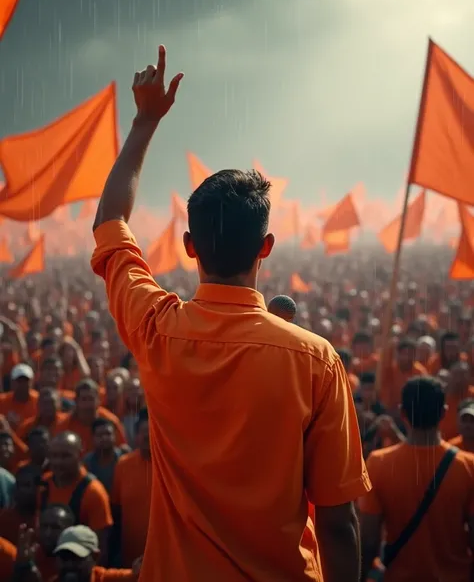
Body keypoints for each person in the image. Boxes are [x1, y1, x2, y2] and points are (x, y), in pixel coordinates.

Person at [91, 46, 370, 582]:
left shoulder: (156, 330)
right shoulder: (315, 360)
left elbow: (109, 220)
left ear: (190, 246)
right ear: (266, 248)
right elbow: (339, 523)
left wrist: (145, 121)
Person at [359, 376, 474, 582]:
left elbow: (368, 540)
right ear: (444, 413)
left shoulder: (379, 463)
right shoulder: (468, 466)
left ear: (403, 413)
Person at [41, 432, 112, 561]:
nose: (58, 462)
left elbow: (101, 549)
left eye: (65, 456)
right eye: (54, 456)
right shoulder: (44, 485)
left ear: (80, 455)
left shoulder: (93, 492)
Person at [110, 408, 151, 567]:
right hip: (131, 558)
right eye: (143, 431)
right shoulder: (123, 465)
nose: (147, 435)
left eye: (151, 430)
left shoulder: (171, 465)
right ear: (135, 435)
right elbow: (116, 509)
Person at [57, 380, 126, 455]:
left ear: (98, 400)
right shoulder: (65, 424)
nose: (87, 405)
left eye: (91, 399)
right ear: (76, 401)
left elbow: (123, 450)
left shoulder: (111, 421)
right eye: (84, 399)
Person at [51, 525, 138, 581]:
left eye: (76, 558)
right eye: (64, 558)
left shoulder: (108, 579)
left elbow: (137, 576)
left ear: (95, 557)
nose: (69, 564)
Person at [83, 418, 128, 494]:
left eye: (108, 434)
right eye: (100, 435)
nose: (104, 438)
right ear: (93, 438)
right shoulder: (87, 462)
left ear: (114, 435)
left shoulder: (125, 458)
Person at [0, 364, 38, 431]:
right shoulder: (2, 401)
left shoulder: (39, 401)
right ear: (12, 382)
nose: (22, 385)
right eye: (19, 381)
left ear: (32, 382)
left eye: (26, 381)